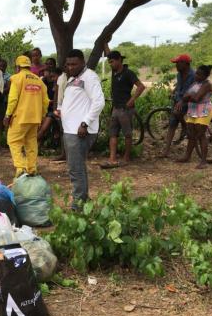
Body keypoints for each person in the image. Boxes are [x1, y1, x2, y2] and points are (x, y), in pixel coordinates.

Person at [56, 49, 105, 209]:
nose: (70, 67)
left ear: (82, 62)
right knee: (77, 167)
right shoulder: (73, 78)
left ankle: (79, 203)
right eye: (68, 64)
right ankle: (83, 200)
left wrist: (85, 123)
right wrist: (61, 110)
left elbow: (99, 102)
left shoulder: (89, 77)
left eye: (74, 64)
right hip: (70, 130)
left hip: (80, 131)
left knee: (75, 169)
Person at [3, 55, 49, 178]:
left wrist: (7, 115)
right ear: (29, 66)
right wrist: (43, 115)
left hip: (20, 117)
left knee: (13, 140)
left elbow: (12, 99)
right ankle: (32, 168)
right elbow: (45, 101)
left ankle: (20, 168)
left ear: (18, 67)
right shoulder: (39, 80)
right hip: (35, 118)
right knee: (31, 142)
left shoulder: (17, 78)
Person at [100, 50, 146, 168]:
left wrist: (132, 100)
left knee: (127, 134)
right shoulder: (114, 72)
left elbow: (141, 87)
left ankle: (126, 157)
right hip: (116, 108)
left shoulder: (128, 73)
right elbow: (109, 52)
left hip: (125, 109)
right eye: (109, 62)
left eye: (112, 61)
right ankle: (112, 158)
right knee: (113, 133)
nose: (110, 64)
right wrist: (105, 43)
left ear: (120, 60)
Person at [177, 65, 212, 169]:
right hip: (193, 109)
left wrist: (187, 97)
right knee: (191, 134)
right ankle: (187, 156)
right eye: (196, 73)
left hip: (204, 109)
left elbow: (197, 98)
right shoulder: (195, 83)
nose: (196, 75)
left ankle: (203, 161)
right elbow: (186, 96)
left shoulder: (207, 84)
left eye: (199, 74)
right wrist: (187, 97)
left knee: (201, 134)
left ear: (205, 76)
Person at [159, 54, 195, 158]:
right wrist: (173, 92)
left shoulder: (194, 75)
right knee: (172, 124)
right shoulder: (179, 74)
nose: (176, 66)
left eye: (178, 63)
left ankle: (184, 126)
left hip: (189, 102)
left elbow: (194, 91)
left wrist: (183, 101)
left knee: (176, 113)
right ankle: (166, 150)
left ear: (185, 64)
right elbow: (179, 86)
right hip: (178, 100)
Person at [37, 67, 63, 142]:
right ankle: (34, 145)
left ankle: (30, 145)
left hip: (56, 111)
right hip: (48, 109)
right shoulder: (48, 85)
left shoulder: (62, 85)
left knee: (43, 128)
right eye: (51, 77)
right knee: (42, 128)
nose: (52, 79)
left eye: (54, 76)